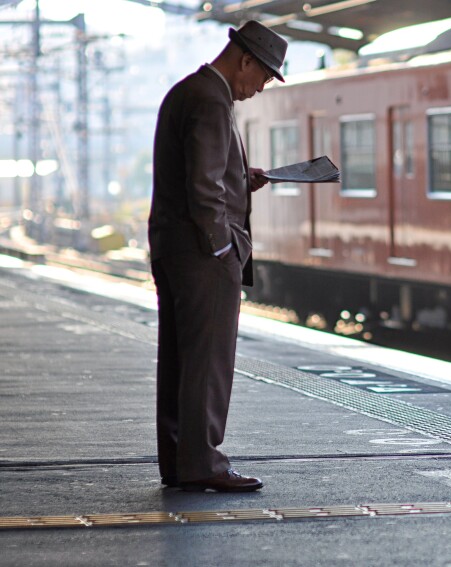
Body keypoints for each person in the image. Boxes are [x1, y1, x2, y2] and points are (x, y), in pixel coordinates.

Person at [148, 21, 287, 492]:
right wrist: (223, 247)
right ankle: (204, 462)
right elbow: (203, 187)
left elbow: (200, 171)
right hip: (202, 254)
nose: (260, 87)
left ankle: (180, 459)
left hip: (174, 247)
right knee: (207, 361)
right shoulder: (212, 99)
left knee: (180, 358)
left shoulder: (188, 91)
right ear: (245, 59)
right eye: (264, 76)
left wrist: (241, 178)